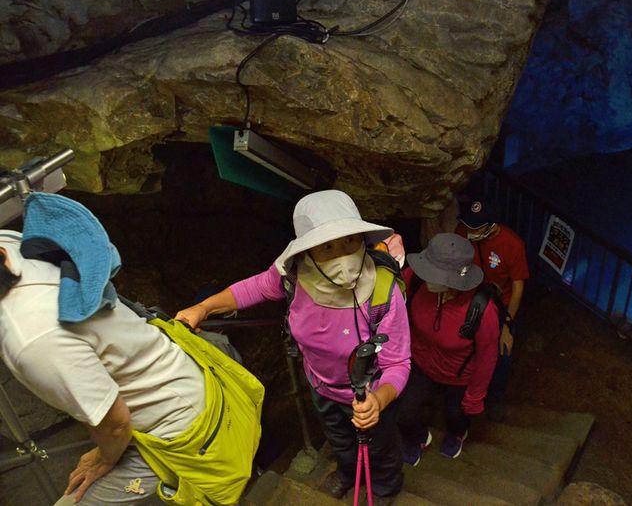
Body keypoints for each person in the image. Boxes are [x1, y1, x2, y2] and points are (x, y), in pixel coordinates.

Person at [0, 195, 261, 505]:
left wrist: (103, 458)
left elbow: (116, 424)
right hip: (185, 373)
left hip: (177, 425)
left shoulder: (31, 338)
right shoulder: (12, 244)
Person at [176, 190, 410, 504]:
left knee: (380, 446)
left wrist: (379, 400)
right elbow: (255, 287)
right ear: (308, 250)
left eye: (350, 241)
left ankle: (384, 488)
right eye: (327, 246)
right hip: (320, 384)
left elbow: (397, 363)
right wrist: (204, 308)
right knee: (339, 437)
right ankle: (347, 473)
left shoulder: (383, 291)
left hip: (370, 392)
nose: (343, 254)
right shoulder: (295, 275)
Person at [396, 233, 500, 465]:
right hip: (420, 364)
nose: (426, 277)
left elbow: (487, 356)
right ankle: (418, 438)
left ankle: (456, 434)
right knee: (405, 413)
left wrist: (475, 396)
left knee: (456, 416)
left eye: (434, 274)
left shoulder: (482, 310)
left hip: (458, 376)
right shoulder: (416, 279)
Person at [455, 195, 529, 421]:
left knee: (501, 353)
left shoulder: (512, 244)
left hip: (497, 306)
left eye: (475, 228)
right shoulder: (462, 232)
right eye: (468, 225)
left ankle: (494, 398)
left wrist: (507, 322)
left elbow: (518, 286)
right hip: (468, 297)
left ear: (492, 226)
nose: (469, 231)